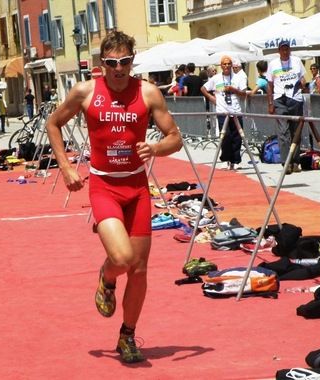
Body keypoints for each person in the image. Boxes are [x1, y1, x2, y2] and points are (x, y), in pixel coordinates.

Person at [45, 30, 182, 364]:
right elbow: (53, 123)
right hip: (104, 186)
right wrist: (66, 169)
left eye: (125, 61)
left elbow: (174, 138)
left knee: (140, 269)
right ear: (101, 64)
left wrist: (156, 148)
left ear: (132, 60)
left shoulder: (148, 93)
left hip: (137, 188)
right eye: (111, 63)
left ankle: (128, 335)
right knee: (122, 260)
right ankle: (106, 278)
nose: (119, 68)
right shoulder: (85, 92)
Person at [201, 55, 248, 170]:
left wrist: (234, 90)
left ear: (232, 65)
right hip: (222, 111)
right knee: (225, 136)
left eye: (228, 64)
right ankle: (226, 159)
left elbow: (243, 94)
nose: (226, 66)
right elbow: (203, 89)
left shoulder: (238, 78)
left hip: (236, 111)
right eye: (224, 64)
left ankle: (236, 160)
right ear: (221, 66)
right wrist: (211, 98)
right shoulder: (216, 78)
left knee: (237, 137)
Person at [266, 40, 306, 174]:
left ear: (290, 50)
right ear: (279, 51)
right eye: (282, 49)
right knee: (283, 131)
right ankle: (286, 162)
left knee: (296, 131)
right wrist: (270, 103)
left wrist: (302, 84)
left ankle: (296, 162)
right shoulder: (273, 64)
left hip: (295, 99)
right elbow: (269, 85)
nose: (285, 52)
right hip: (279, 99)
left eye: (287, 49)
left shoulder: (296, 61)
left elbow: (302, 79)